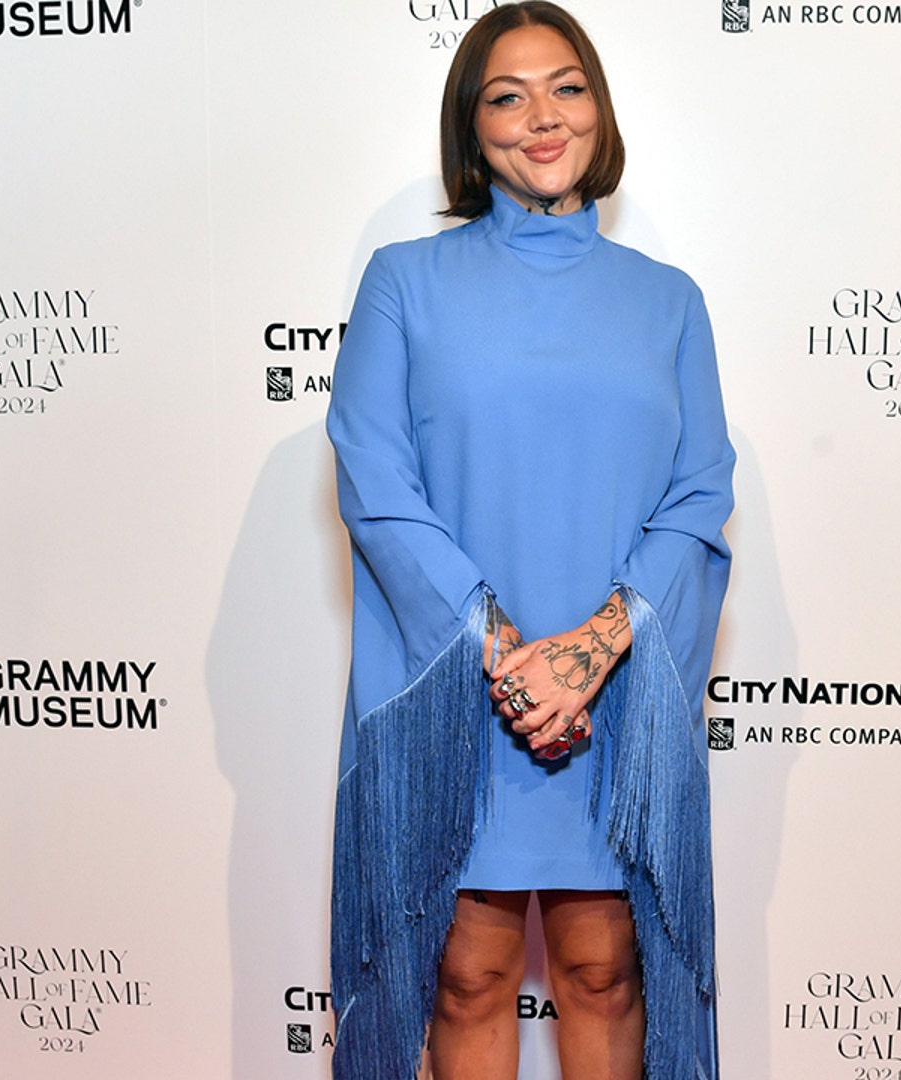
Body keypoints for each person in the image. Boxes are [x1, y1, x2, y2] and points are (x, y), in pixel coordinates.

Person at [325, 4, 733, 1077]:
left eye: (567, 87)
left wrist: (589, 655)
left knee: (605, 969)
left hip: (616, 697)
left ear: (600, 108)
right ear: (472, 127)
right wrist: (511, 660)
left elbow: (700, 494)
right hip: (460, 693)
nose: (541, 117)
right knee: (466, 974)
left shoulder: (670, 301)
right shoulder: (404, 283)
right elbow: (376, 481)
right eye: (507, 96)